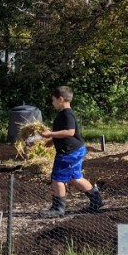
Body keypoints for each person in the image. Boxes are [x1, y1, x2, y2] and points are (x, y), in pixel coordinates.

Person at [40, 86, 105, 217]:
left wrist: (50, 134)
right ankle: (96, 201)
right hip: (74, 150)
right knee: (75, 178)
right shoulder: (63, 114)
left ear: (60, 99)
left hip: (68, 153)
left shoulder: (67, 114)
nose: (52, 103)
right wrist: (53, 140)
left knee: (57, 178)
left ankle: (58, 208)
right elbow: (65, 132)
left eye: (53, 100)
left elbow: (70, 132)